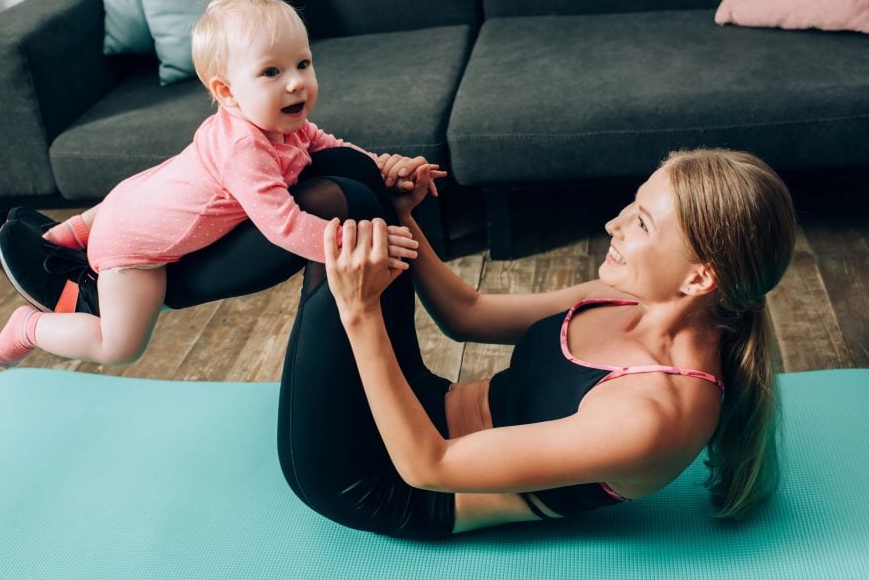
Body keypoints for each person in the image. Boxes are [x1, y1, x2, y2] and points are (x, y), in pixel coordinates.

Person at [275, 146, 795, 537]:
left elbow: (429, 466)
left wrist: (360, 311)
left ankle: (186, 271)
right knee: (359, 183)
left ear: (699, 278)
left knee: (333, 209)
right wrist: (403, 214)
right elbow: (468, 315)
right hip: (418, 401)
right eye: (630, 207)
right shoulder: (628, 296)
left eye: (641, 223)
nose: (613, 224)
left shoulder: (651, 415)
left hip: (384, 479)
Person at [0, 0, 442, 370]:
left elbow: (327, 144)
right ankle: (29, 326)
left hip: (134, 201)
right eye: (272, 72)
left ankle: (64, 234)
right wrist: (352, 242)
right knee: (120, 344)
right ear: (226, 92)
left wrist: (381, 164)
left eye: (302, 64)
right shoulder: (246, 150)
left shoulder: (281, 124)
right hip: (132, 251)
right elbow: (282, 225)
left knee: (154, 192)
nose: (295, 83)